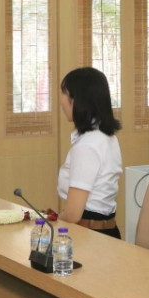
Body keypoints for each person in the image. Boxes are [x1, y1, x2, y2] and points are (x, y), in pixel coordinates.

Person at [57, 67, 122, 239]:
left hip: (89, 237)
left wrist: (55, 220)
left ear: (78, 99)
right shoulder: (106, 136)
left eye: (64, 93)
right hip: (105, 233)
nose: (61, 101)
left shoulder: (87, 146)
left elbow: (73, 214)